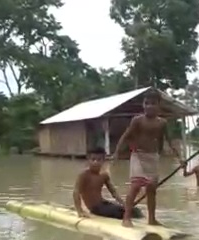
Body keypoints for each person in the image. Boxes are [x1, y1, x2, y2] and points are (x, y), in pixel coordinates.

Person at [112, 90, 184, 227]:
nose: (149, 106)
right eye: (147, 103)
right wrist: (116, 153)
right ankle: (126, 218)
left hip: (153, 157)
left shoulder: (162, 123)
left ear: (159, 106)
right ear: (143, 105)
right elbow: (125, 136)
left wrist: (179, 158)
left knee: (151, 189)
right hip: (138, 155)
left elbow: (168, 141)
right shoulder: (137, 120)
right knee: (135, 186)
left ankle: (151, 219)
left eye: (153, 103)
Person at [73, 147, 142, 219]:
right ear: (88, 160)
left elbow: (113, 192)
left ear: (103, 161)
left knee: (135, 211)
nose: (95, 162)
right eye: (93, 159)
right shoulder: (84, 175)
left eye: (99, 160)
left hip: (104, 203)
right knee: (120, 213)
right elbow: (76, 192)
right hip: (94, 208)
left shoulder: (104, 175)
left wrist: (124, 204)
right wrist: (79, 211)